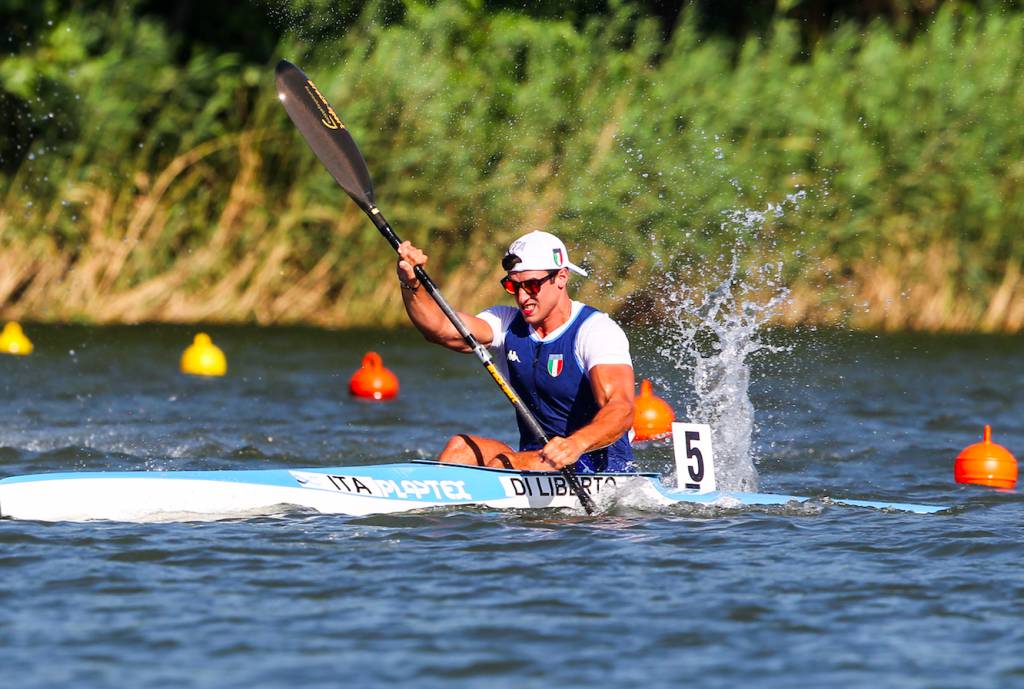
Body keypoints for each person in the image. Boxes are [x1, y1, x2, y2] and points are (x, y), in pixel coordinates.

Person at [396, 230, 635, 473]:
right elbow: (440, 329)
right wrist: (411, 283)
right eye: (513, 285)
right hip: (534, 459)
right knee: (460, 448)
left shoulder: (596, 330)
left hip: (593, 464)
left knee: (504, 464)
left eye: (531, 285)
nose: (522, 297)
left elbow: (621, 408)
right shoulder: (506, 323)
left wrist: (575, 444)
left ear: (561, 277)